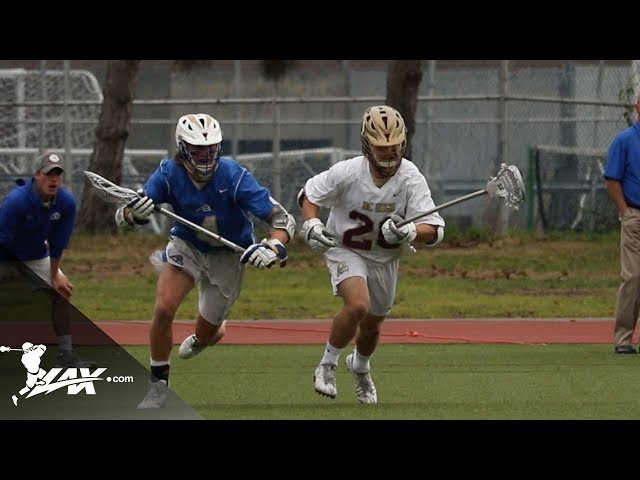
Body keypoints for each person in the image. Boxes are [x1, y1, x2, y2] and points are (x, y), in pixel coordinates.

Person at [116, 113, 296, 409]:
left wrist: (274, 246)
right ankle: (158, 384)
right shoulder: (167, 174)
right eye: (198, 150)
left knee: (206, 335)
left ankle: (207, 335)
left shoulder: (233, 175)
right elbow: (123, 216)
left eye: (210, 149)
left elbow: (282, 219)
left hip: (229, 257)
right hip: (187, 247)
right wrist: (134, 213)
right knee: (163, 309)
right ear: (183, 147)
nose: (205, 156)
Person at [298, 105, 445, 404]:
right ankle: (327, 364)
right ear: (367, 144)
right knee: (358, 306)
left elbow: (436, 229)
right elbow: (309, 195)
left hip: (385, 258)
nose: (389, 155)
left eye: (394, 148)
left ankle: (360, 367)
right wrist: (312, 222)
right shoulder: (348, 172)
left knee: (373, 325)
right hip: (345, 248)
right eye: (382, 148)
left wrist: (411, 232)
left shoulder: (410, 177)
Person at [0, 151, 97, 369]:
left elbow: (58, 243)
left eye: (57, 174)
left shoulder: (66, 203)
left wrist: (54, 277)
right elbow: (3, 240)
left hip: (35, 256)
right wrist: (14, 276)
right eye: (48, 173)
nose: (53, 179)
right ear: (36, 175)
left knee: (62, 290)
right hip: (5, 256)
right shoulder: (16, 202)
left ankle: (66, 356)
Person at [603, 96, 640, 354]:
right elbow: (612, 180)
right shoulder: (624, 141)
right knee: (633, 277)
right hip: (635, 216)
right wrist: (625, 212)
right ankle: (624, 338)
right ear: (638, 107)